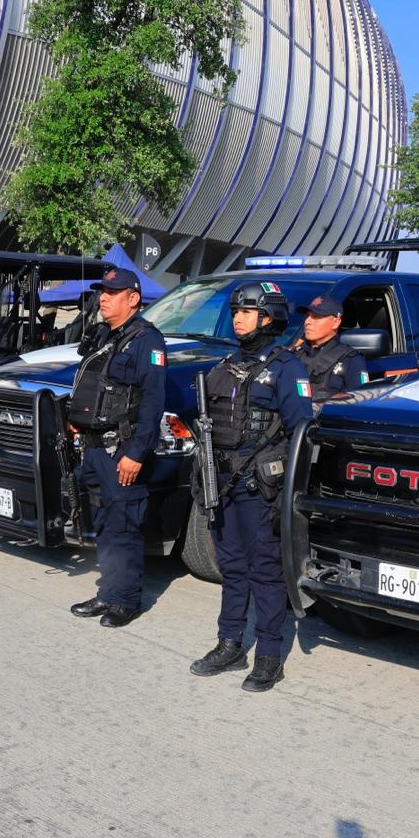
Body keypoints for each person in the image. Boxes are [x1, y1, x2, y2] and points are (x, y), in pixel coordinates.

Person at [189, 282, 313, 692]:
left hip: (260, 488)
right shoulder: (224, 365)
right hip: (222, 482)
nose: (238, 318)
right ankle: (230, 644)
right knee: (232, 567)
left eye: (247, 311)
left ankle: (269, 657)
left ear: (268, 317)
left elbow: (301, 435)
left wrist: (287, 495)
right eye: (236, 311)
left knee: (265, 571)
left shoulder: (287, 368)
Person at [68, 268, 167, 628]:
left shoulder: (146, 340)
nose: (103, 298)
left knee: (124, 526)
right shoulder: (105, 335)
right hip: (94, 448)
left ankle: (125, 600)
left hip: (121, 449)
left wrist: (136, 453)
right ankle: (108, 592)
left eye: (112, 292)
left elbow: (153, 403)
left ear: (133, 298)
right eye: (102, 292)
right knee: (105, 525)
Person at [290, 294, 368, 406]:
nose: (308, 321)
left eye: (316, 317)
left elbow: (360, 404)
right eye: (307, 316)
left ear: (336, 322)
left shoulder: (350, 360)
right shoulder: (293, 353)